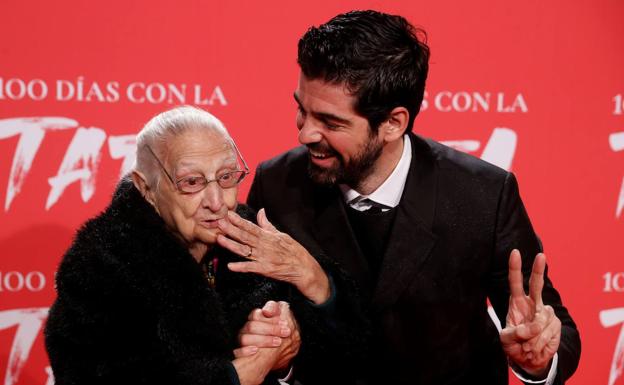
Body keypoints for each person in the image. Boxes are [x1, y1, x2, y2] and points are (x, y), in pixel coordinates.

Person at [228, 10, 581, 385]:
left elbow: (553, 330)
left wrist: (539, 359)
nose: (305, 134)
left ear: (393, 123)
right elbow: (251, 327)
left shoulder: (484, 195)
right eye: (302, 110)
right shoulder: (277, 184)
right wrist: (278, 357)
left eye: (331, 123)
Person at [44, 106, 366, 385]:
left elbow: (348, 358)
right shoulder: (99, 266)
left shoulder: (253, 235)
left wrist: (286, 349)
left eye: (227, 177)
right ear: (146, 189)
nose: (217, 202)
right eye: (192, 183)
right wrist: (235, 377)